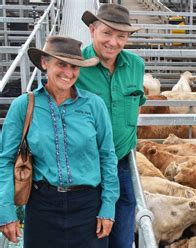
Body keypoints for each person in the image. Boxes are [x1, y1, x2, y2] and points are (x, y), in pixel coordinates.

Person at [0, 36, 119, 247]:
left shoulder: (94, 105)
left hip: (89, 207)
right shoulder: (24, 105)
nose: (68, 72)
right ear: (45, 63)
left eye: (74, 66)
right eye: (61, 64)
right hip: (42, 206)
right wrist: (6, 210)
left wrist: (108, 206)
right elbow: (5, 160)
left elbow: (108, 156)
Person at [76, 4, 145, 247]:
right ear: (92, 30)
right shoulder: (75, 66)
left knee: (123, 237)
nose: (113, 42)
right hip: (86, 168)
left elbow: (138, 103)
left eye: (121, 36)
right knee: (92, 235)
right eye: (107, 33)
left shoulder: (136, 65)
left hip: (122, 164)